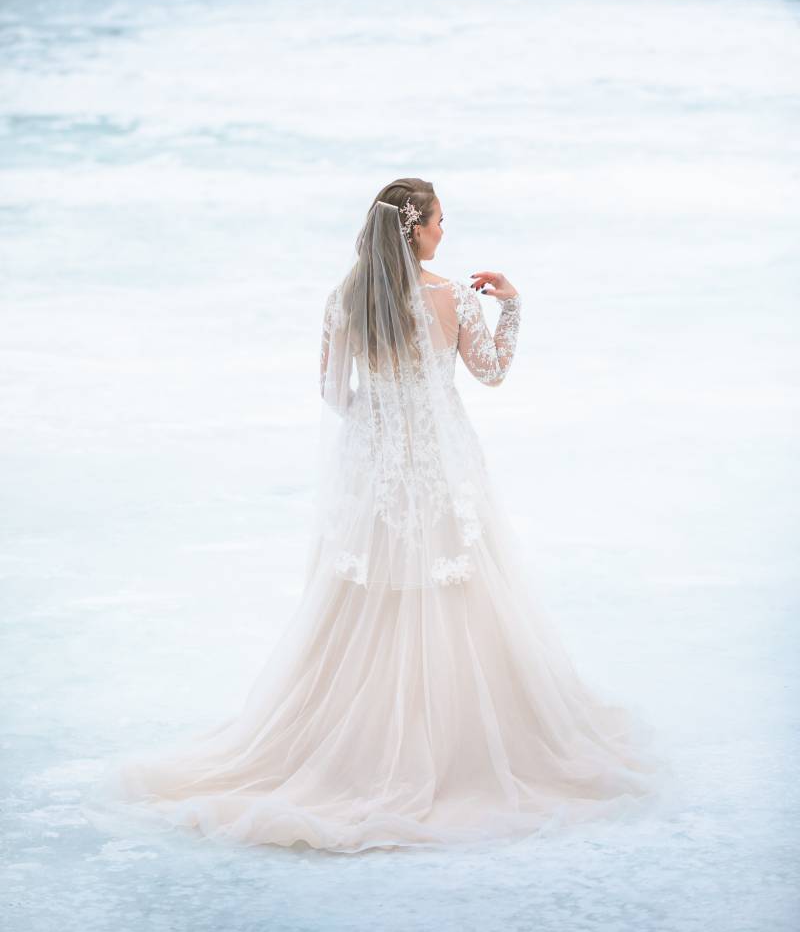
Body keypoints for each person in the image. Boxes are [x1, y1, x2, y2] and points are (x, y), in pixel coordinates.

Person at [83, 177, 674, 853]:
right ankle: (451, 742)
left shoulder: (346, 298)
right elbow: (492, 373)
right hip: (444, 465)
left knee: (370, 600)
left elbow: (335, 395)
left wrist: (381, 423)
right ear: (416, 229)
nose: (446, 232)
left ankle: (355, 742)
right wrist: (513, 307)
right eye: (441, 221)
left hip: (374, 468)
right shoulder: (451, 296)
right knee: (457, 592)